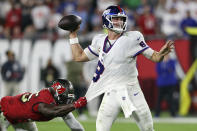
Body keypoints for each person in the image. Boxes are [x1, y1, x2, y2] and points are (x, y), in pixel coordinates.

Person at [67, 5, 174, 131]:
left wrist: (161, 54)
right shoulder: (99, 40)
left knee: (148, 129)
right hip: (111, 91)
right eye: (116, 19)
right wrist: (73, 34)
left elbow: (155, 57)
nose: (119, 22)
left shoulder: (133, 38)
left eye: (121, 19)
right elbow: (78, 56)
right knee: (101, 128)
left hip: (133, 90)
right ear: (107, 21)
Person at [0, 79, 87, 131]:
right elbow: (52, 111)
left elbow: (71, 121)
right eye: (65, 98)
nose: (68, 101)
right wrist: (76, 104)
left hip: (24, 118)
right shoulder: (44, 99)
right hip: (6, 113)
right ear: (57, 95)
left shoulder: (55, 100)